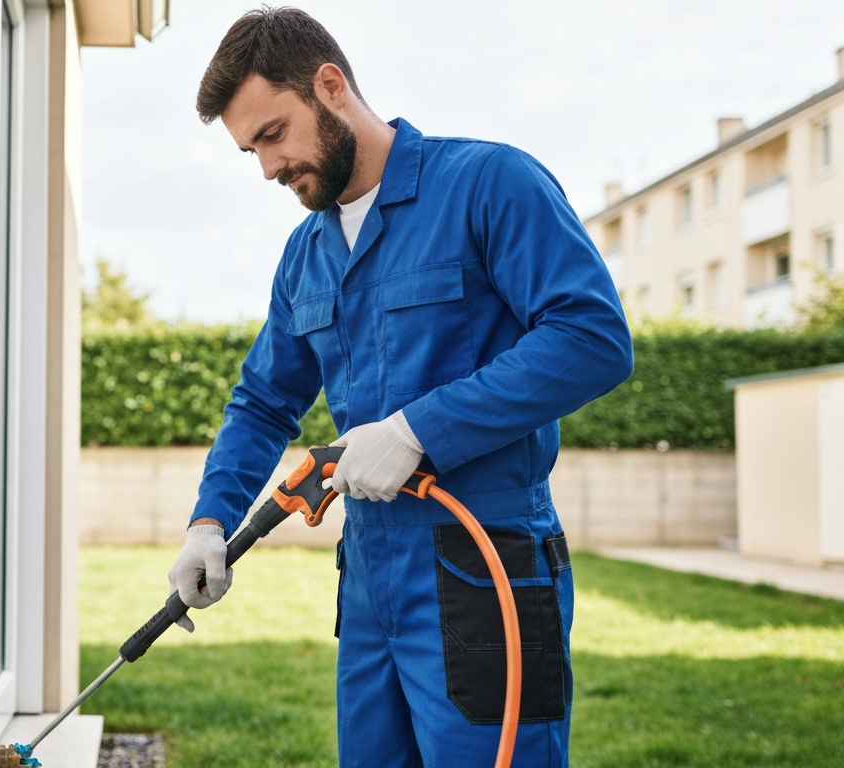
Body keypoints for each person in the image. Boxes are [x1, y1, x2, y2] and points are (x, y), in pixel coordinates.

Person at [165, 8, 633, 767]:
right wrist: (209, 521)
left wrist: (418, 429)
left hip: (484, 565)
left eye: (274, 134)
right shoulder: (306, 253)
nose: (267, 169)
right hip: (370, 578)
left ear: (330, 86)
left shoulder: (488, 183)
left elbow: (592, 339)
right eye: (250, 149)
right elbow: (262, 402)